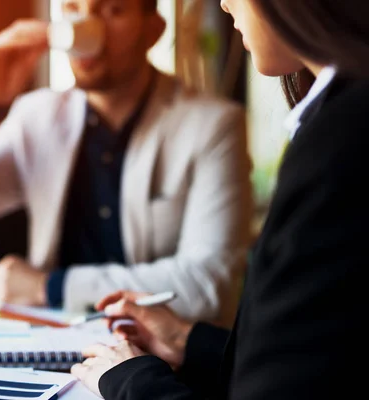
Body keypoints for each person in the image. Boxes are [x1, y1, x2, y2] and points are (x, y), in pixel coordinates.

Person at [70, 0, 369, 398]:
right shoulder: (334, 122)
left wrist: (133, 381)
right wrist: (189, 341)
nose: (224, 3)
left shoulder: (342, 144)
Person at [0, 0, 253, 326]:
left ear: (153, 31)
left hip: (160, 362)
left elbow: (210, 286)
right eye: (73, 8)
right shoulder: (38, 118)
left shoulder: (212, 125)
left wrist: (49, 287)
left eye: (113, 10)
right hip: (49, 350)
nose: (87, 27)